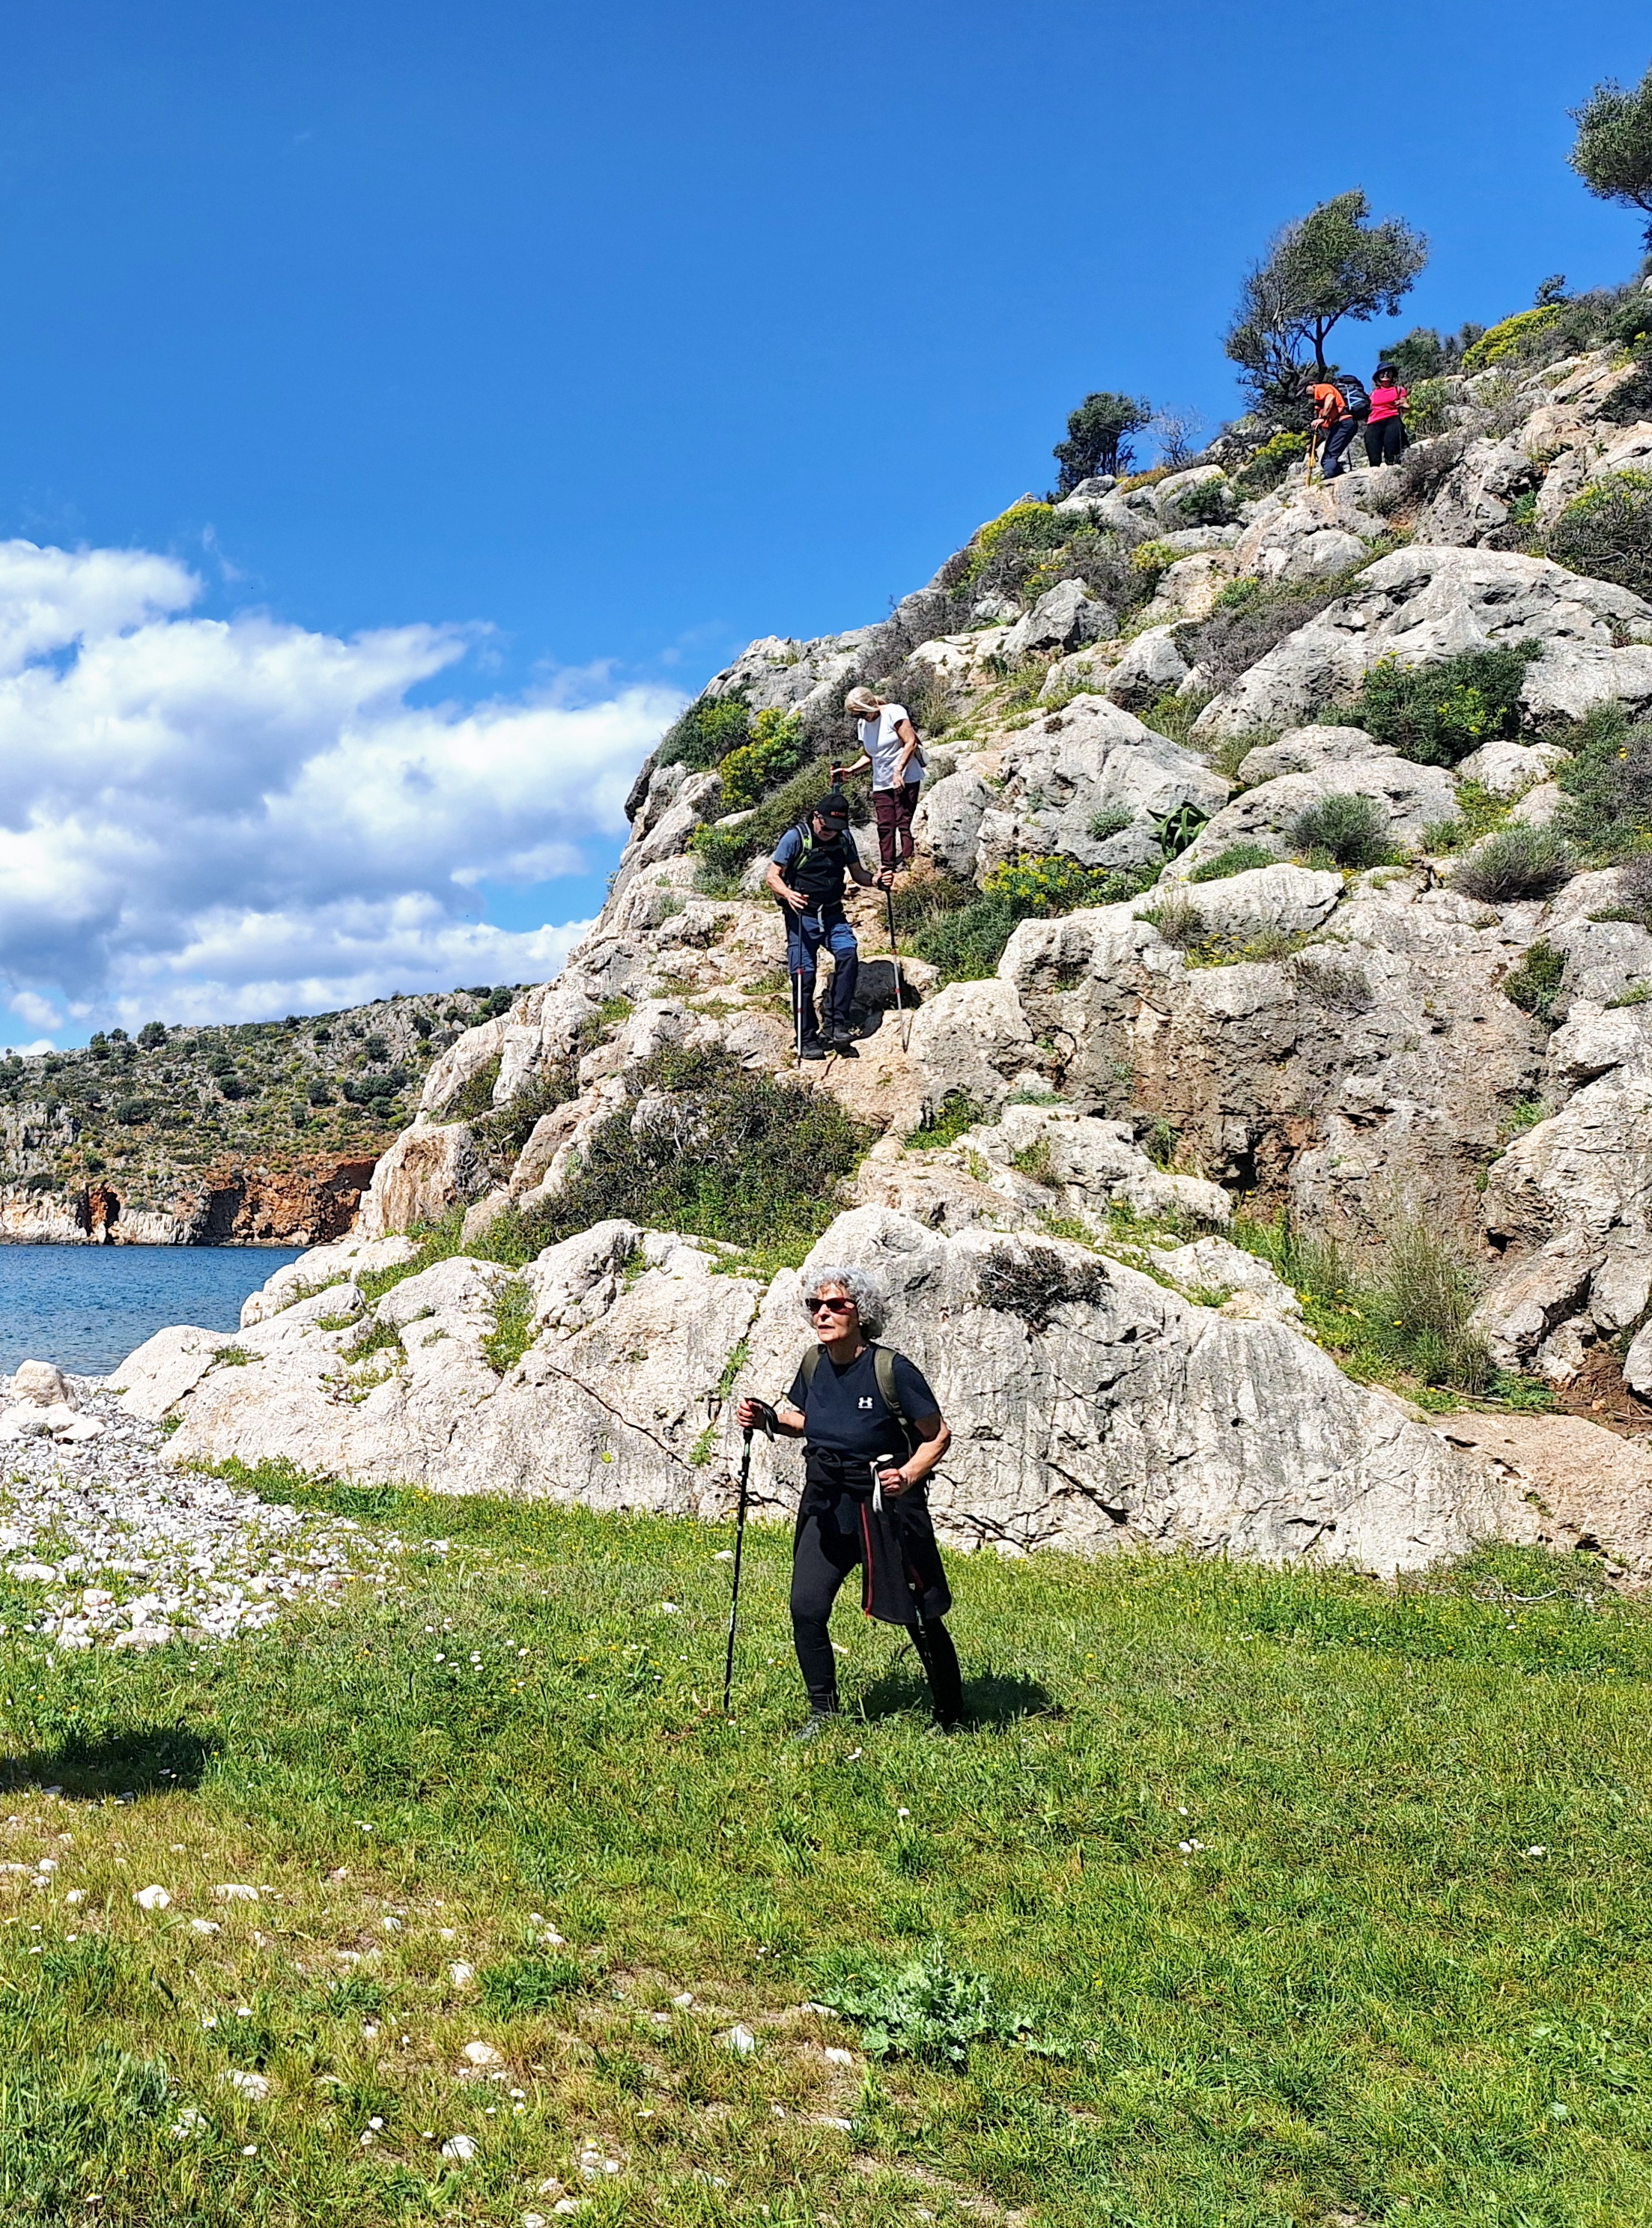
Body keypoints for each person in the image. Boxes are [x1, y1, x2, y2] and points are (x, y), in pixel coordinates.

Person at [737, 1264, 963, 1740]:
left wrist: (908, 1474)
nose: (823, 1313)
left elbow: (937, 1436)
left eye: (836, 1305)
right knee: (806, 1607)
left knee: (918, 1613)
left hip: (885, 1507)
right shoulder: (814, 1363)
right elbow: (806, 1420)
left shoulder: (892, 1370)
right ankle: (823, 1712)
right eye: (816, 1305)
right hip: (827, 1503)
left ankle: (952, 1715)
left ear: (861, 1313)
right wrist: (769, 1418)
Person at [766, 789, 890, 1061]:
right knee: (804, 976)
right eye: (826, 826)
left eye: (836, 828)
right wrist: (788, 894)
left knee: (848, 956)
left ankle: (836, 1024)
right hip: (801, 917)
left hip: (833, 914)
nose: (830, 832)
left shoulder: (844, 839)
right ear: (816, 817)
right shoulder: (795, 838)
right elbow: (773, 876)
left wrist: (877, 881)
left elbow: (858, 874)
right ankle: (807, 1038)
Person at [836, 687, 926, 872]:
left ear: (870, 706)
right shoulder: (863, 725)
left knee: (904, 822)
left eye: (862, 713)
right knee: (885, 825)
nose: (861, 718)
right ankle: (887, 867)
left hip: (906, 777)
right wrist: (851, 770)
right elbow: (870, 755)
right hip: (882, 781)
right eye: (856, 715)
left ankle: (910, 863)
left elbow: (910, 742)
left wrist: (898, 771)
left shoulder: (894, 712)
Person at [1305, 371, 1358, 480]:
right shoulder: (1319, 404)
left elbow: (1330, 398)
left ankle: (1332, 479)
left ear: (1312, 385)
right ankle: (1339, 476)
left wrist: (1323, 417)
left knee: (1329, 458)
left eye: (1306, 391)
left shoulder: (1321, 388)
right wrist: (1313, 446)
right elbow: (1323, 431)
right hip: (1340, 425)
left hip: (1343, 422)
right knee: (1326, 459)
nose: (1307, 395)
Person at [1364, 365, 1409, 468]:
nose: (1386, 374)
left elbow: (1406, 406)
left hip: (1392, 419)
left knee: (1392, 453)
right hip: (1374, 422)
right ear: (1378, 376)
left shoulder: (1398, 390)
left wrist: (1402, 404)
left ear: (1393, 375)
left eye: (1388, 371)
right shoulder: (1372, 394)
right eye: (1383, 372)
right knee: (1373, 455)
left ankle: (1393, 470)